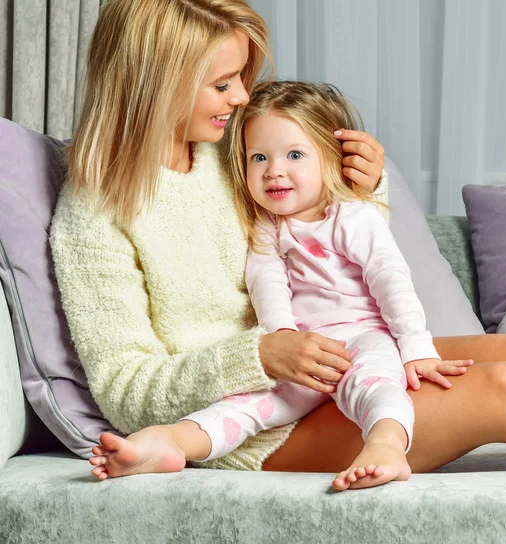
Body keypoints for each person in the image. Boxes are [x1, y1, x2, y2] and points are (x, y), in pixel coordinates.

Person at [49, 0, 506, 486]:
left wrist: (362, 182)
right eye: (223, 84)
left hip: (341, 352)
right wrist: (260, 356)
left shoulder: (231, 151)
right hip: (250, 420)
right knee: (505, 387)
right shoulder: (94, 213)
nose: (243, 98)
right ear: (154, 86)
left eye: (242, 78)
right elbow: (124, 388)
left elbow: (328, 244)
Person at [86, 80, 473, 490]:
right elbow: (265, 279)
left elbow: (391, 280)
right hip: (304, 349)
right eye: (259, 157)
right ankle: (171, 442)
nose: (274, 170)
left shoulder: (352, 216)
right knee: (250, 404)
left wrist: (415, 348)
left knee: (378, 384)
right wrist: (282, 334)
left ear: (331, 159)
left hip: (364, 336)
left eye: (294, 155)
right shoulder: (269, 225)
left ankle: (386, 445)